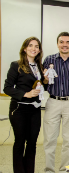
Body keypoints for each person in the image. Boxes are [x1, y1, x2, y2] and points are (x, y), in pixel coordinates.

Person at [4, 37, 47, 173]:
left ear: (39, 50)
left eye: (36, 46)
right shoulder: (15, 65)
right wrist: (25, 94)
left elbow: (41, 86)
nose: (33, 48)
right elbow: (7, 88)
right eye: (30, 45)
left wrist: (45, 80)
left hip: (35, 109)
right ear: (24, 48)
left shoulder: (40, 67)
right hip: (19, 109)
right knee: (20, 142)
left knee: (32, 143)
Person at [43, 32, 69, 173]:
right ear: (57, 43)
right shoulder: (48, 60)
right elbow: (43, 82)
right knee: (49, 140)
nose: (64, 45)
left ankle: (64, 170)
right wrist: (45, 79)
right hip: (53, 101)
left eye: (68, 42)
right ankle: (49, 170)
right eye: (61, 42)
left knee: (68, 140)